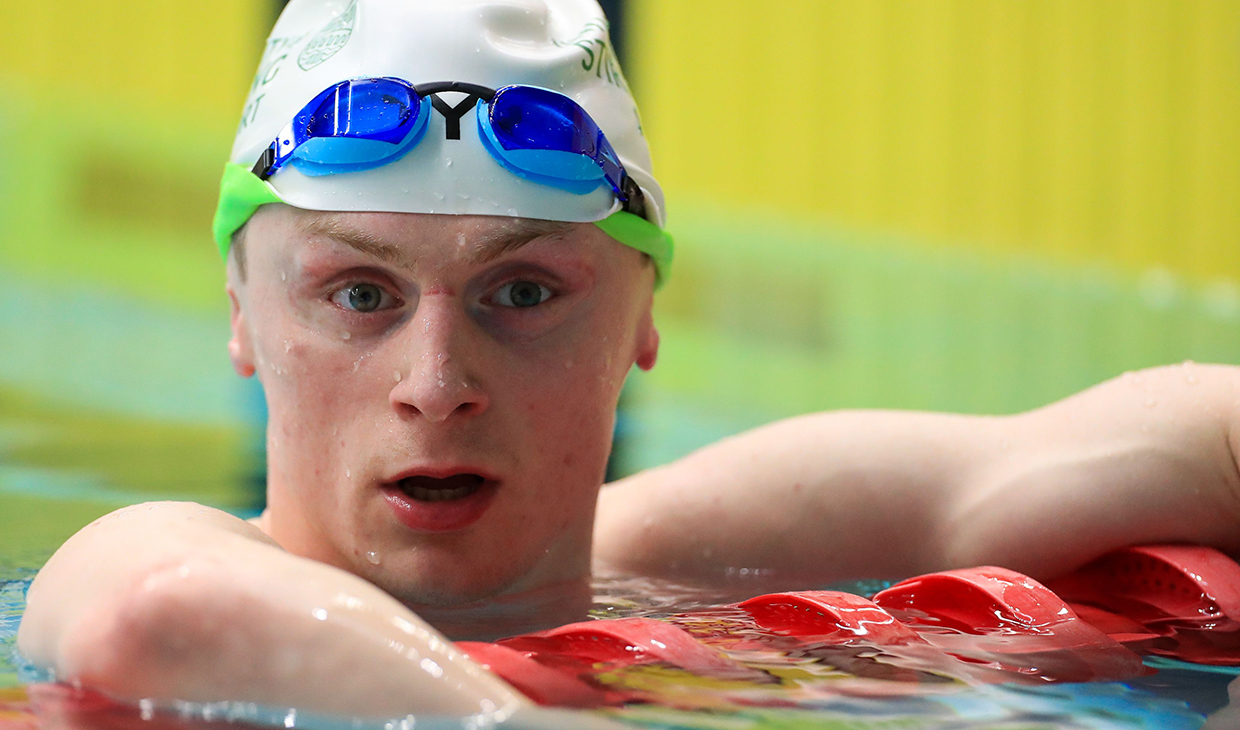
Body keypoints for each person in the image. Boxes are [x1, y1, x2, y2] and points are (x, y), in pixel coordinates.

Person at [17, 0, 1240, 723]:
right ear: (238, 313)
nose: (436, 378)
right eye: (360, 293)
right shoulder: (156, 555)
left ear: (644, 319)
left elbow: (1197, 432)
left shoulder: (703, 543)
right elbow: (157, 617)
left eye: (525, 291)